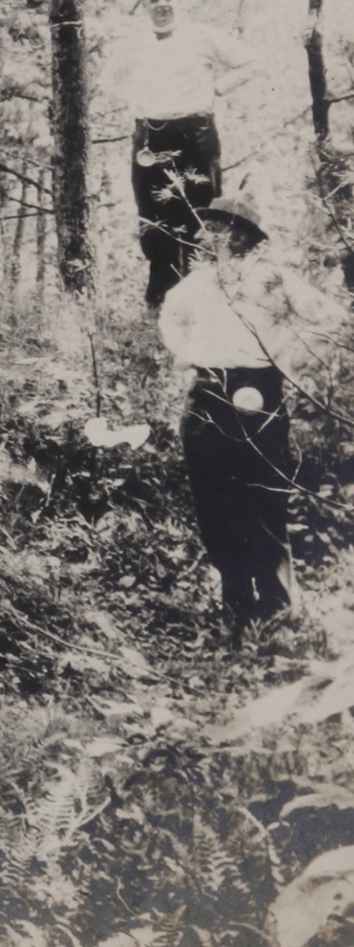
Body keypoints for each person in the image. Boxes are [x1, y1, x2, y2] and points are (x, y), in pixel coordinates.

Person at [158, 193, 341, 645]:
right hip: (206, 392)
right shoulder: (196, 284)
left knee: (264, 495)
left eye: (219, 227)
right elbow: (170, 319)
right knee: (214, 498)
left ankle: (277, 607)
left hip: (258, 391)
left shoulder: (272, 280)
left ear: (241, 234)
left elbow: (330, 316)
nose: (209, 236)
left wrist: (286, 356)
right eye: (210, 226)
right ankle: (235, 602)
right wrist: (186, 354)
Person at [102, 0, 251, 306]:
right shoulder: (134, 44)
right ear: (145, 6)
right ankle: (162, 304)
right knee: (155, 219)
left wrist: (217, 88)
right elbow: (108, 81)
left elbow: (251, 61)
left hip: (196, 137)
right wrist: (135, 99)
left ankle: (207, 301)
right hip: (150, 138)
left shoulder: (202, 36)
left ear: (178, 0)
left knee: (203, 216)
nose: (162, 4)